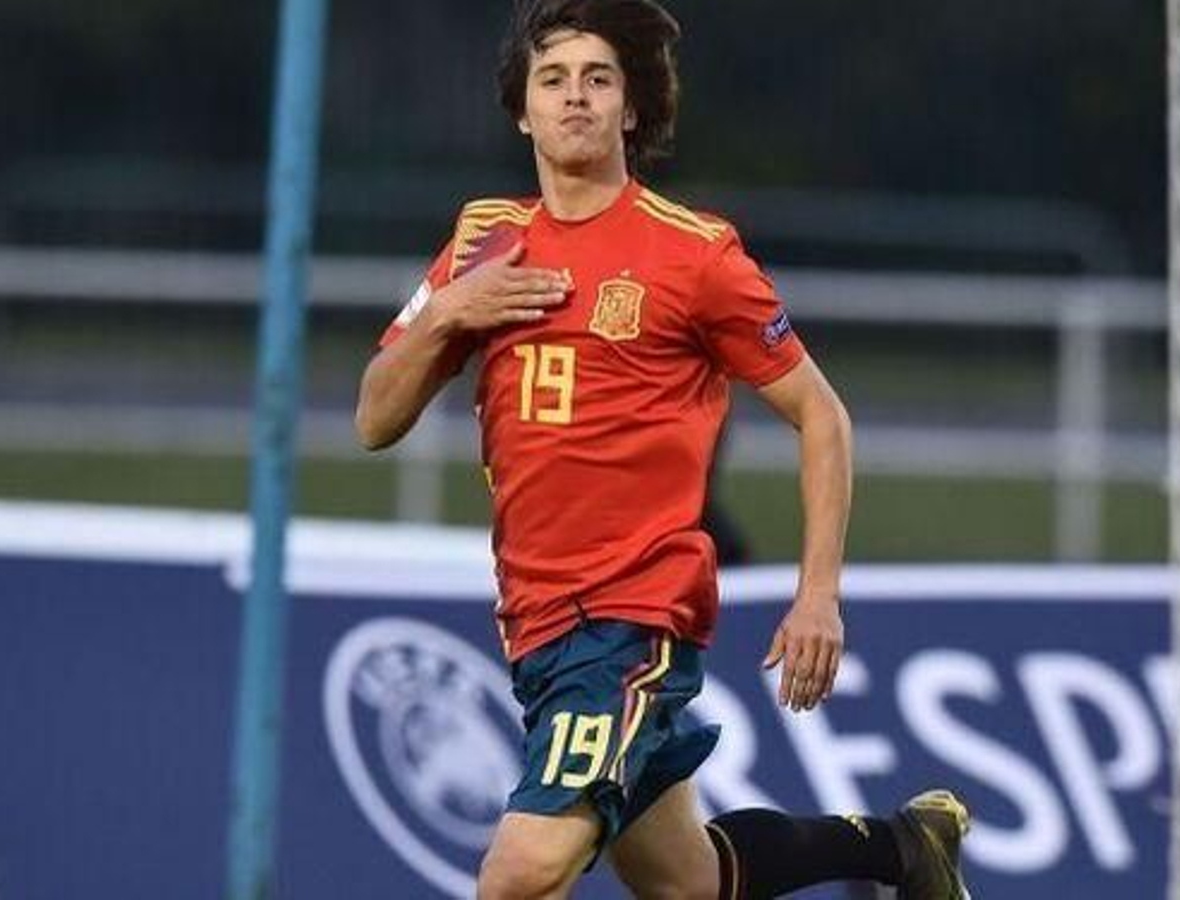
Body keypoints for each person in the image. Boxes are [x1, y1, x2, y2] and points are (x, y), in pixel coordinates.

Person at [355, 2, 972, 897]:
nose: (575, 99)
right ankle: (902, 849)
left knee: (518, 874)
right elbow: (374, 418)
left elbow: (822, 417)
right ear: (522, 110)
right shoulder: (484, 241)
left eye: (598, 79)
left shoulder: (693, 255)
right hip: (535, 622)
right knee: (689, 881)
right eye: (553, 80)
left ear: (631, 109)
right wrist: (450, 312)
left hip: (629, 616)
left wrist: (818, 596)